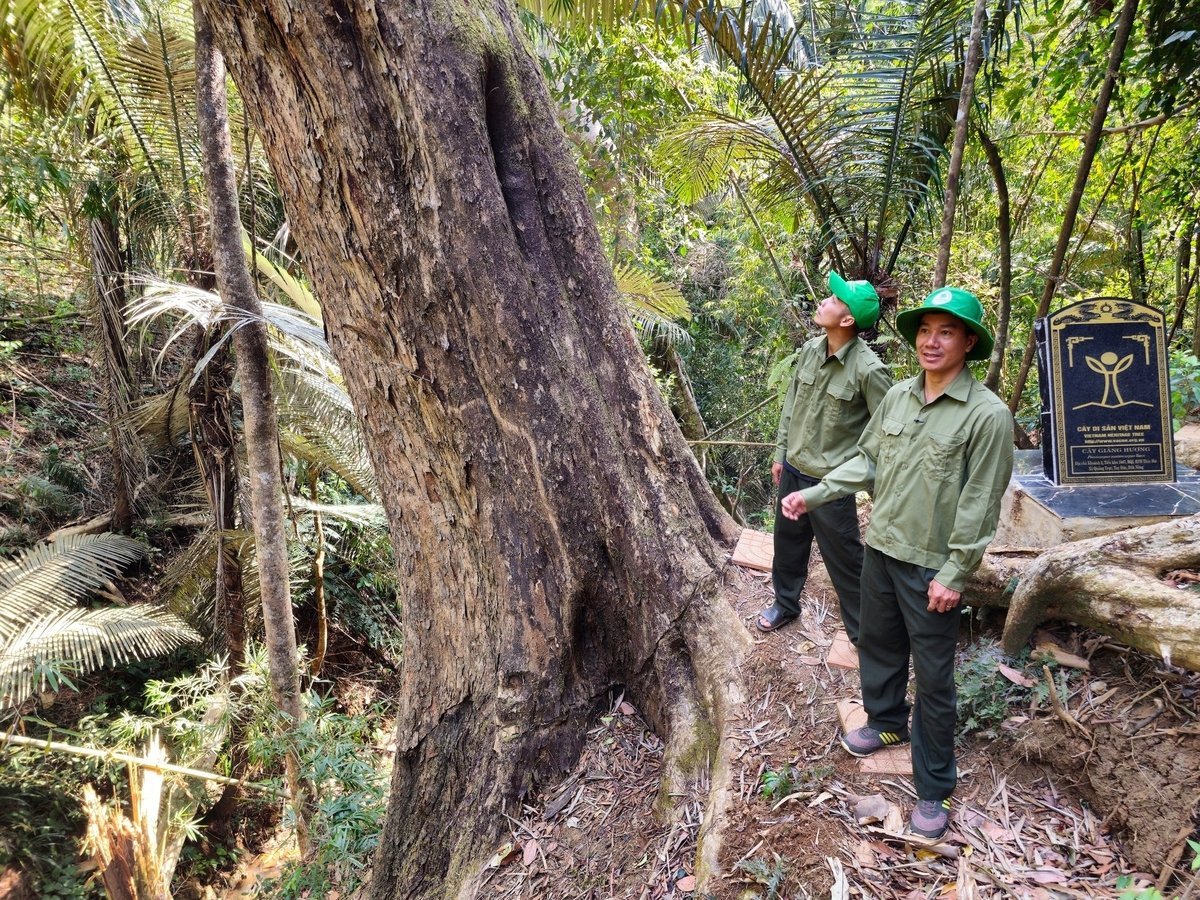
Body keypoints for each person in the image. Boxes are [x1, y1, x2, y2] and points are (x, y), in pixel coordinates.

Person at [780, 286, 1014, 840]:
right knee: (879, 645)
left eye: (947, 332)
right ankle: (885, 721)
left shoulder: (987, 416)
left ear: (968, 342)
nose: (932, 342)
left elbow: (981, 500)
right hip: (881, 550)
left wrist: (956, 573)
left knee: (934, 680)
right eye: (925, 331)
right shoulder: (899, 397)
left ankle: (934, 787)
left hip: (931, 567)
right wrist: (813, 495)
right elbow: (866, 460)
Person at [757, 272, 892, 639]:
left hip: (831, 485)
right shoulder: (810, 351)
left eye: (833, 301)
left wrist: (867, 476)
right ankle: (785, 603)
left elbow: (887, 431)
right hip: (794, 470)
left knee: (846, 561)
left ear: (848, 320)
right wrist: (781, 452)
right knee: (787, 545)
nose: (824, 302)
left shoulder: (869, 369)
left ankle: (866, 632)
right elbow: (792, 405)